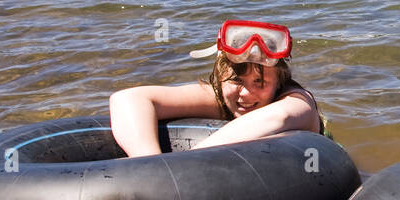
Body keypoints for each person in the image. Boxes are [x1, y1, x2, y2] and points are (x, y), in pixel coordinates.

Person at [110, 20, 328, 158]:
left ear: (279, 82)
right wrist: (150, 164)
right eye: (236, 81)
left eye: (260, 83)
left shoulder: (297, 101)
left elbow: (279, 118)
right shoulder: (221, 95)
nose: (246, 94)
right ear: (220, 78)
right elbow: (127, 99)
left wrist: (179, 166)